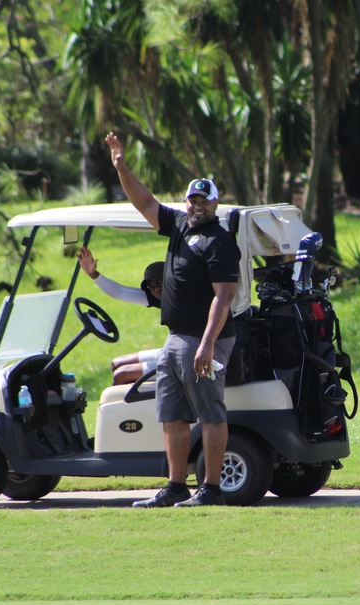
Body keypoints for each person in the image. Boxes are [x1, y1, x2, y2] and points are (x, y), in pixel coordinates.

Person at [105, 131, 240, 507]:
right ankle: (176, 486)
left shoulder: (219, 241)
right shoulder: (180, 224)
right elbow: (144, 202)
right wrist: (121, 166)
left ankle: (210, 490)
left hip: (205, 338)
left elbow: (224, 296)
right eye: (192, 199)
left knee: (210, 413)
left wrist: (208, 344)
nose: (198, 205)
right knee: (171, 414)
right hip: (176, 337)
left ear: (215, 204)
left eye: (204, 200)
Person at [77, 247, 164, 385]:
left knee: (121, 375)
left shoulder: (181, 295)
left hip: (189, 356)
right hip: (170, 351)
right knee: (116, 363)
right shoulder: (157, 297)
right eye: (152, 286)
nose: (157, 289)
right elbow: (120, 292)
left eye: (160, 282)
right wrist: (93, 274)